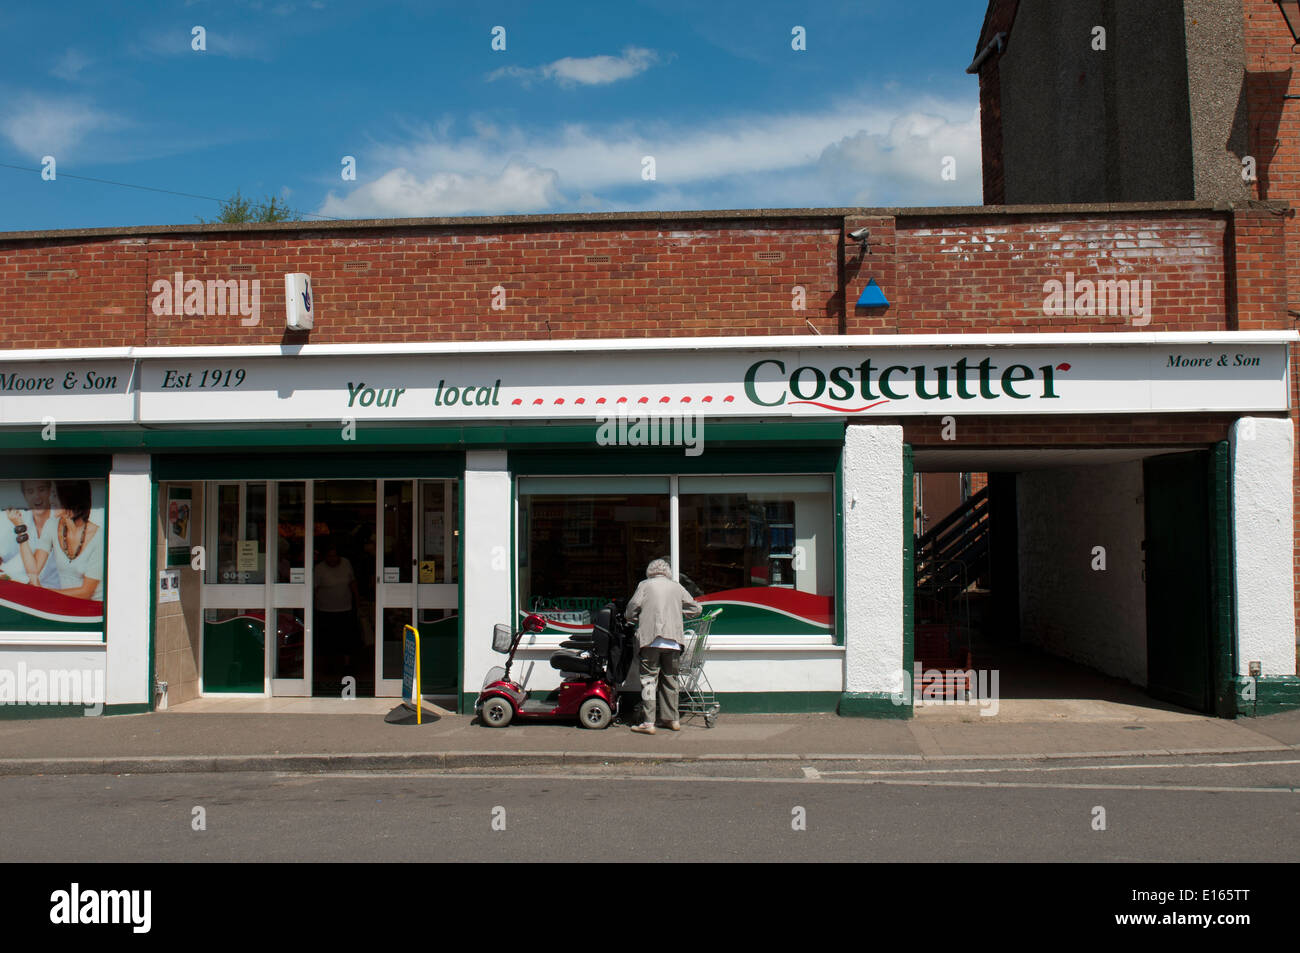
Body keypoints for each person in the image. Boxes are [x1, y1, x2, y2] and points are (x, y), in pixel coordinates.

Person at [625, 558, 701, 734]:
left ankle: (648, 722)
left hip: (651, 639)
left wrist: (634, 618)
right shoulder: (676, 586)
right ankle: (672, 719)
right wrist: (679, 612)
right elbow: (696, 609)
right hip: (673, 641)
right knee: (671, 679)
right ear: (667, 572)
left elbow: (631, 609)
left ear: (650, 571)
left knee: (649, 680)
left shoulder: (645, 585)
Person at [49, 481, 104, 601]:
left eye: (54, 495)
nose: (50, 500)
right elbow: (34, 568)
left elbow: (86, 592)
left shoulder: (98, 538)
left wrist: (47, 594)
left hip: (91, 611)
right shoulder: (53, 526)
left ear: (69, 498)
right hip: (66, 604)